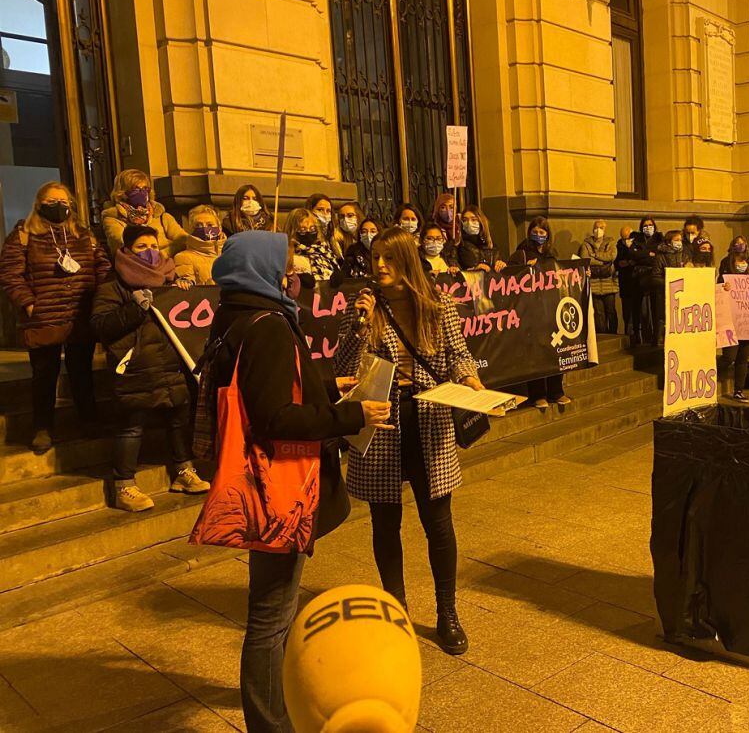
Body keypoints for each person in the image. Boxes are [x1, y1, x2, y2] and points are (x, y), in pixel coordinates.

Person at [196, 230, 388, 731]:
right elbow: (276, 418)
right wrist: (353, 416)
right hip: (277, 488)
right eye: (285, 263)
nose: (294, 272)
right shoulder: (269, 326)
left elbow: (270, 387)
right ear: (261, 268)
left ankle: (272, 701)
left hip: (259, 483)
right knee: (271, 617)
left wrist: (329, 385)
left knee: (271, 608)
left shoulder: (235, 314)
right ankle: (270, 721)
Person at [335, 226, 482, 656]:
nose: (379, 266)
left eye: (389, 258)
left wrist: (472, 382)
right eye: (375, 257)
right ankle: (396, 611)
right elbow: (343, 366)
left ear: (408, 262)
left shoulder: (436, 305)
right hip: (380, 420)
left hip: (430, 417)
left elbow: (458, 354)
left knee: (438, 522)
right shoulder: (360, 308)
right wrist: (360, 324)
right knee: (385, 522)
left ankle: (447, 613)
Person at [91, 225, 208, 511]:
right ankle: (124, 486)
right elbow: (100, 325)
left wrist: (183, 293)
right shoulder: (112, 284)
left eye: (154, 245)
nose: (150, 251)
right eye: (142, 246)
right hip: (136, 366)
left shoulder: (171, 277)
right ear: (127, 250)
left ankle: (183, 471)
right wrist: (134, 308)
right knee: (131, 428)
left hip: (171, 363)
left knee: (178, 420)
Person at [0, 182, 110, 453]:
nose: (58, 206)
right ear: (39, 204)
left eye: (63, 201)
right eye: (51, 201)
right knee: (44, 376)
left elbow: (102, 265)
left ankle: (88, 420)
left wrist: (100, 298)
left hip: (79, 315)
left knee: (82, 374)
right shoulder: (24, 235)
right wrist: (28, 304)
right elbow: (10, 273)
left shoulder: (84, 234)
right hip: (44, 318)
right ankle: (43, 427)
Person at [510, 217, 571, 406]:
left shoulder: (552, 253)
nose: (538, 236)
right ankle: (538, 394)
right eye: (535, 232)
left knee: (554, 351)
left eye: (542, 233)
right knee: (535, 353)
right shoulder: (521, 253)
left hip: (550, 308)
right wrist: (524, 269)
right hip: (531, 310)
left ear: (548, 235)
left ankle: (556, 391)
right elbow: (510, 276)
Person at [101, 169, 186, 258]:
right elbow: (122, 245)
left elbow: (183, 240)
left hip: (166, 264)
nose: (142, 192)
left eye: (145, 188)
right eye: (135, 189)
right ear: (123, 192)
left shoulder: (161, 216)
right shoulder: (113, 218)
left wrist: (162, 255)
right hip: (136, 266)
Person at [718, 250, 749, 402]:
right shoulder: (724, 279)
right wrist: (723, 288)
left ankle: (739, 390)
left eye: (744, 262)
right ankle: (711, 376)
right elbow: (718, 296)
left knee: (742, 359)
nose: (742, 265)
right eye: (739, 262)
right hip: (730, 324)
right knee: (728, 357)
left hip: (747, 324)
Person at [578, 219, 619, 334]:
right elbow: (585, 259)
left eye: (601, 228)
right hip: (594, 283)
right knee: (598, 313)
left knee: (611, 311)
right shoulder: (586, 244)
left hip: (609, 283)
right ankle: (603, 335)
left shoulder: (610, 242)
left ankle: (613, 334)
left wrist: (595, 255)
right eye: (596, 227)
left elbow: (611, 256)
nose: (598, 230)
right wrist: (603, 261)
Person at [630, 216, 662, 343]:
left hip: (653, 276)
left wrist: (643, 254)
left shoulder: (659, 239)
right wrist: (648, 254)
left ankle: (655, 336)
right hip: (638, 276)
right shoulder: (637, 239)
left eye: (650, 225)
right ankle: (637, 335)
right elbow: (633, 253)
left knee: (655, 307)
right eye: (645, 225)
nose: (648, 228)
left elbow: (658, 256)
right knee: (637, 307)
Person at [174, 205, 225, 285]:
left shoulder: (231, 254)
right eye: (198, 225)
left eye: (210, 225)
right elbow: (189, 287)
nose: (204, 228)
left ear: (219, 228)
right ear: (192, 229)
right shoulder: (184, 257)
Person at [286, 208, 340, 283]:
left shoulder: (324, 251)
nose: (308, 233)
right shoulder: (288, 253)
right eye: (303, 230)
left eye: (312, 229)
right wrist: (298, 278)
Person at [458, 205, 505, 273]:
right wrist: (475, 269)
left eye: (473, 219)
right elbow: (456, 268)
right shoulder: (458, 244)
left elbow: (497, 262)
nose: (469, 223)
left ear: (481, 221)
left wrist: (501, 264)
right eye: (465, 220)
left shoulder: (491, 244)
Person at [615, 226, 641, 344]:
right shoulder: (619, 246)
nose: (626, 240)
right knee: (627, 313)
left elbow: (640, 258)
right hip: (625, 283)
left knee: (640, 313)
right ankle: (629, 337)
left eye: (628, 238)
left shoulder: (638, 245)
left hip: (638, 283)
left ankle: (639, 336)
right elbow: (618, 263)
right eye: (624, 238)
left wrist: (630, 261)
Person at [339, 216, 381, 281]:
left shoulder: (385, 251)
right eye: (364, 232)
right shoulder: (353, 251)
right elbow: (345, 275)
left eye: (373, 231)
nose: (368, 234)